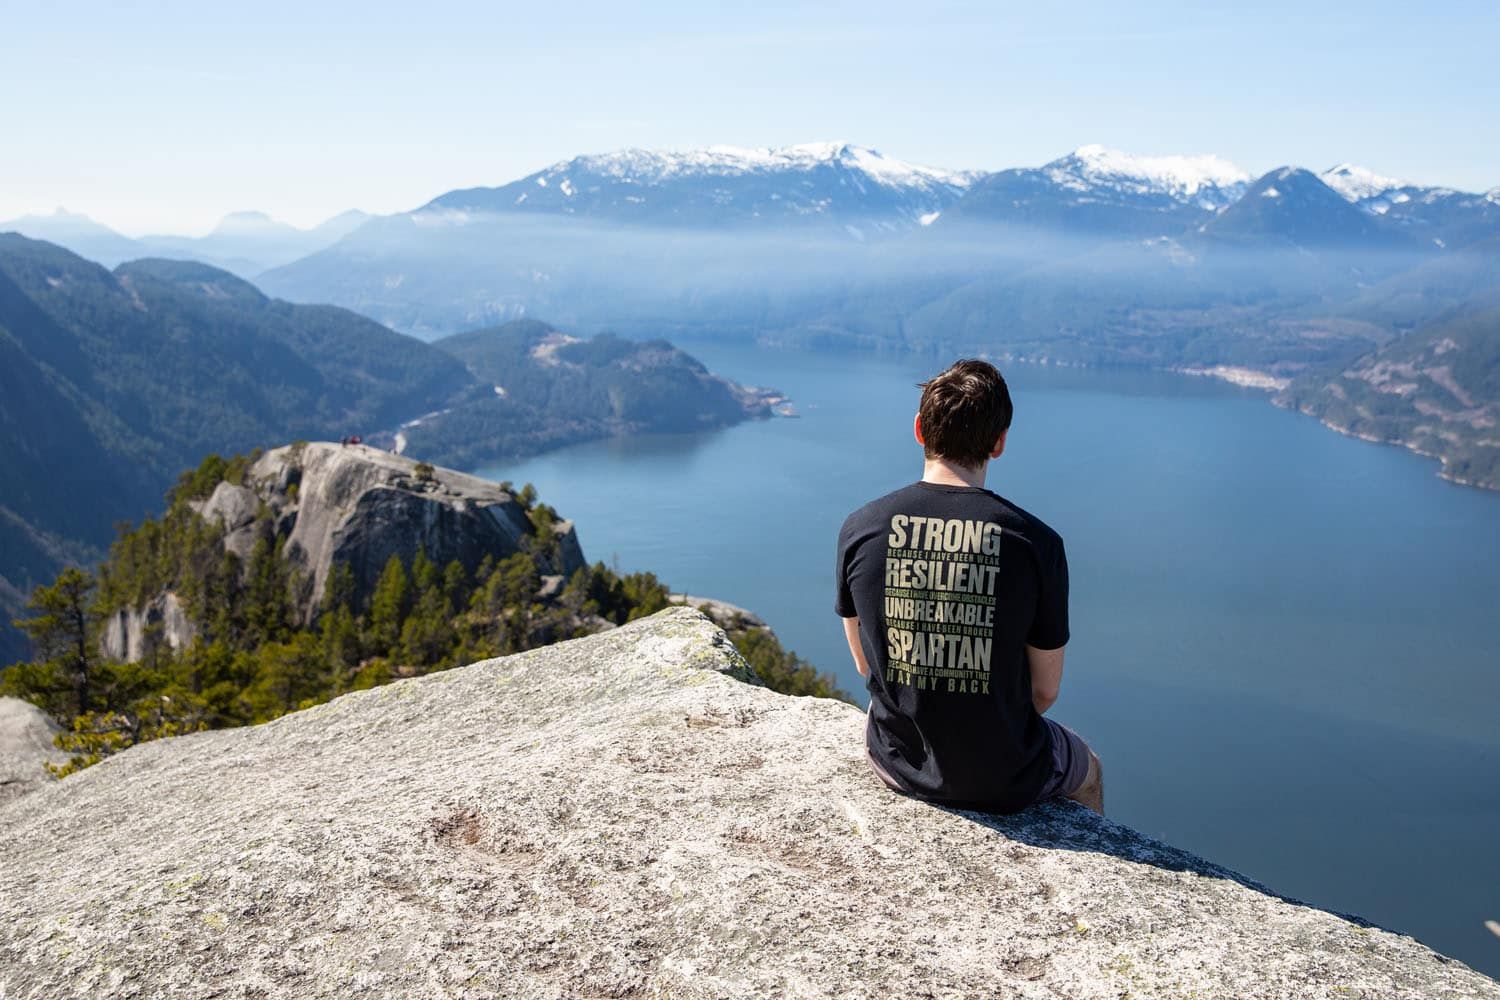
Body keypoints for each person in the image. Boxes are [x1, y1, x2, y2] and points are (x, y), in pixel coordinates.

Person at [833, 358, 1103, 815]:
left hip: (897, 761)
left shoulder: (862, 527)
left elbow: (865, 663)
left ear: (920, 430)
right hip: (1005, 772)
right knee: (1089, 766)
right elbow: (1044, 694)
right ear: (999, 443)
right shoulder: (1036, 543)